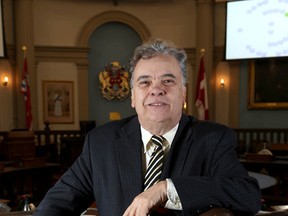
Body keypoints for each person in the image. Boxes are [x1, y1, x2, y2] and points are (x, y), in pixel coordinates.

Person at [34, 38, 261, 216]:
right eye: (145, 82)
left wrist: (167, 189)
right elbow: (55, 205)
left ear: (183, 93)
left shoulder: (213, 139)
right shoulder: (101, 142)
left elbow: (247, 195)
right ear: (133, 96)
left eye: (168, 81)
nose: (156, 89)